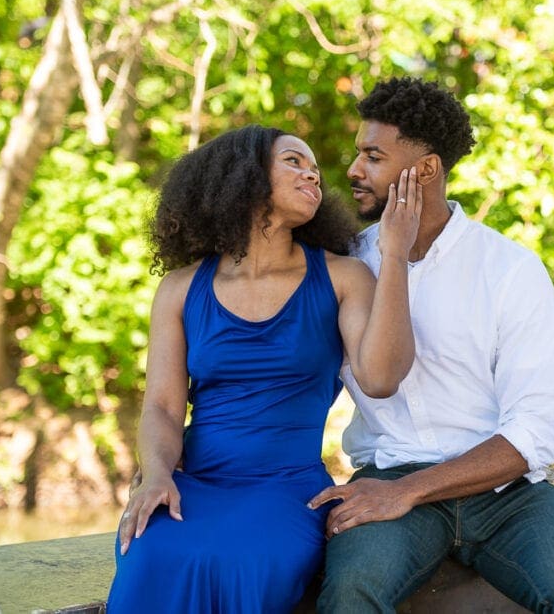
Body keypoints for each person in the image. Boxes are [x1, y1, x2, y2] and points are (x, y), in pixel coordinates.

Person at [308, 78, 554, 613]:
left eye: (373, 157)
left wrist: (410, 491)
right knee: (349, 594)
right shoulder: (345, 267)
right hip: (389, 479)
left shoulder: (510, 269)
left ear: (425, 170)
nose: (354, 172)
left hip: (507, 495)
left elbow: (534, 433)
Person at [106, 124, 422, 613]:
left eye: (316, 170)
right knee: (149, 553)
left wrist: (395, 252)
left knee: (248, 563)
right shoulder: (180, 288)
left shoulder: (342, 276)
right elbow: (164, 408)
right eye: (294, 162)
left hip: (286, 489)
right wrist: (155, 476)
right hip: (194, 480)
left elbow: (380, 379)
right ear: (244, 177)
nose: (313, 175)